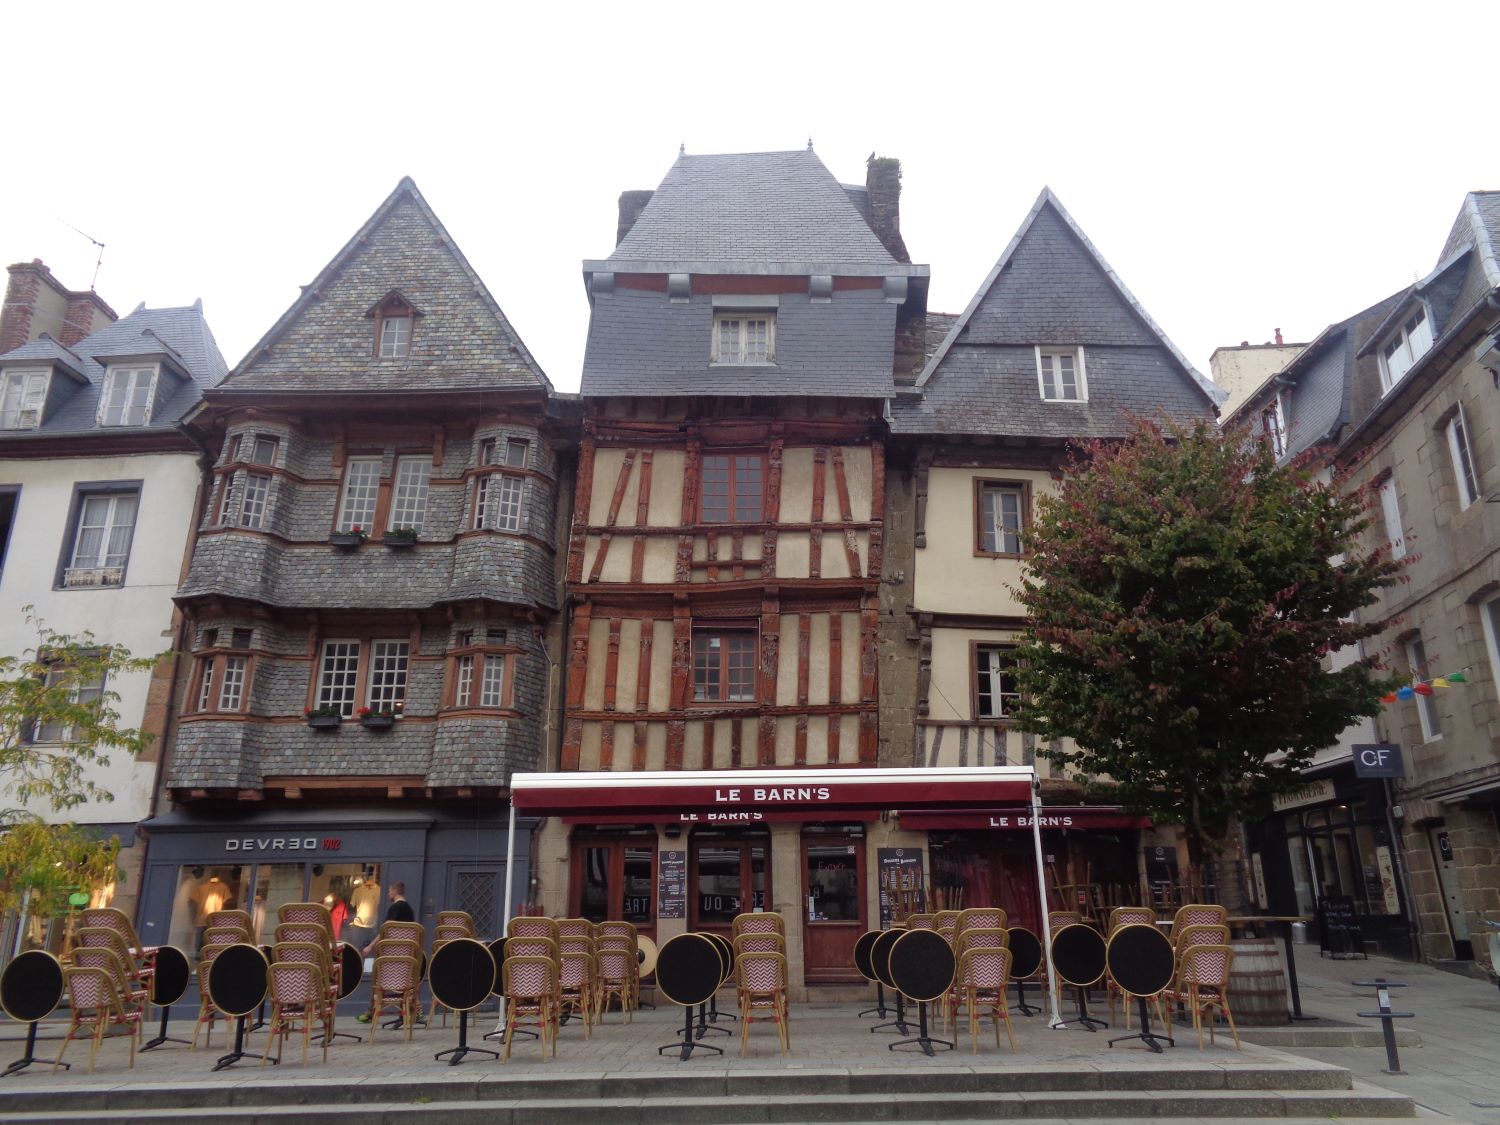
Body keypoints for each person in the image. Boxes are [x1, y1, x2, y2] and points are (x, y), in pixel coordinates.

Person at [355, 882, 419, 1023]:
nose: (388, 894)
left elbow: (385, 931)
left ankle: (372, 1010)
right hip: (406, 957)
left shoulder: (394, 908)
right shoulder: (410, 910)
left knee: (378, 981)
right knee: (406, 985)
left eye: (390, 891)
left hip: (390, 956)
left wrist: (370, 946)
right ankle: (410, 1011)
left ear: (396, 892)